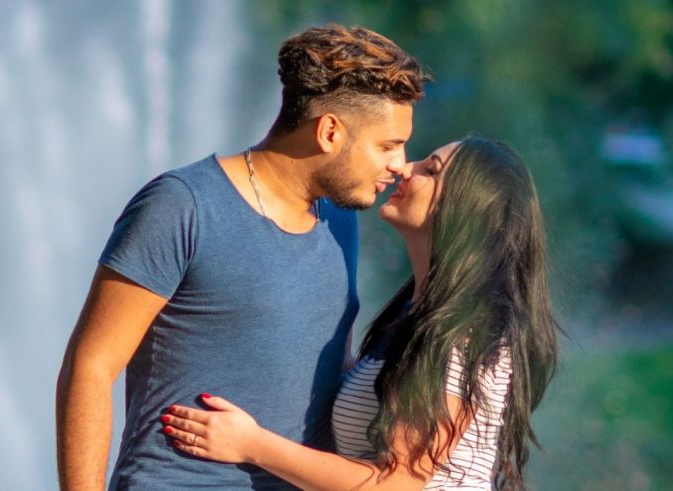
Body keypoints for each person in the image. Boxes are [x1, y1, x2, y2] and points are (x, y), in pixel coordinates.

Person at [56, 24, 427, 490]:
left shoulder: (339, 219)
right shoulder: (182, 205)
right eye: (388, 145)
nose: (400, 164)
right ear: (330, 131)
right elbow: (90, 365)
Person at [160, 136, 561, 490]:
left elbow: (397, 484)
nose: (406, 168)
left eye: (430, 170)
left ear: (466, 210)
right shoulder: (417, 316)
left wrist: (252, 445)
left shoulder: (466, 331)